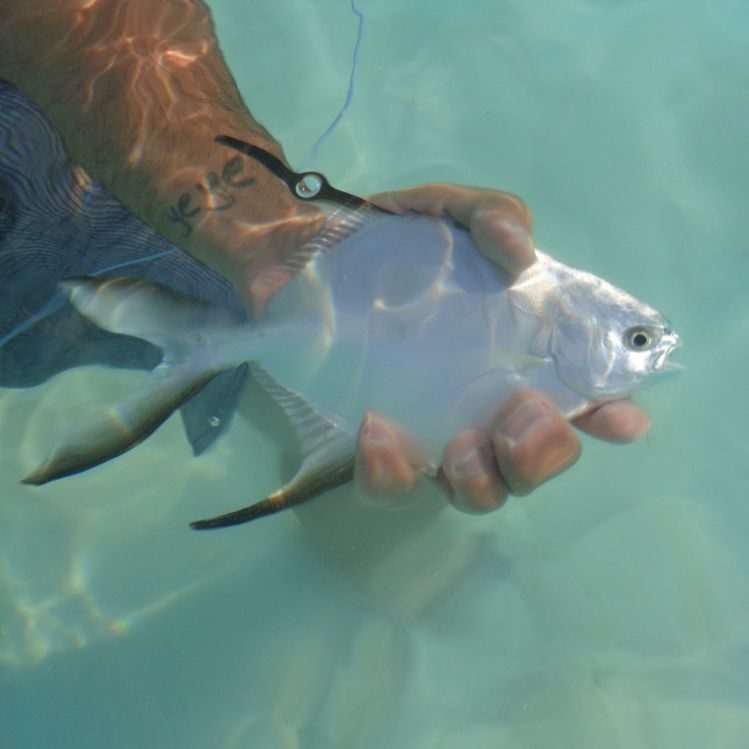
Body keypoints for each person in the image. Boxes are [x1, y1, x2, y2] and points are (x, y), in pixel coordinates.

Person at [0, 0, 649, 518]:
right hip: (58, 155)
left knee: (373, 490)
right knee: (381, 517)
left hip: (89, 153)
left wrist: (264, 236)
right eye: (637, 338)